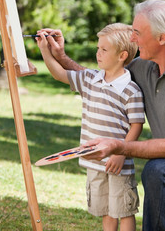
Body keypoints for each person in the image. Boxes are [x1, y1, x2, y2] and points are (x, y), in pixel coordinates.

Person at [41, 0, 165, 231]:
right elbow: (103, 83)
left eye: (138, 32)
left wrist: (118, 147)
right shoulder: (143, 66)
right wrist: (60, 56)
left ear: (163, 38)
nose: (132, 39)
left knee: (159, 171)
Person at [36, 23, 145, 231]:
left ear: (122, 55)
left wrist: (121, 153)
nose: (98, 53)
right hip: (95, 163)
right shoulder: (89, 79)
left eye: (104, 49)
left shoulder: (131, 90)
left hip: (118, 163)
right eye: (98, 48)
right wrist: (44, 50)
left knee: (124, 211)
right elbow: (59, 74)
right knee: (106, 211)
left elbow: (136, 126)